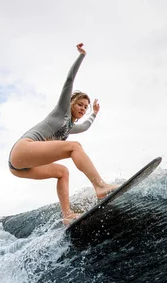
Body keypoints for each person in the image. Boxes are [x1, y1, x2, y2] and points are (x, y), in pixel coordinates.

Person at [8, 43, 118, 224]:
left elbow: (85, 127)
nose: (83, 109)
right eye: (80, 104)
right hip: (22, 150)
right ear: (71, 103)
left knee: (62, 171)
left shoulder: (69, 127)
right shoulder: (61, 111)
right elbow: (69, 80)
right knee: (74, 147)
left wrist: (95, 113)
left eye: (85, 107)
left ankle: (67, 215)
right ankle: (100, 186)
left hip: (21, 168)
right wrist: (81, 56)